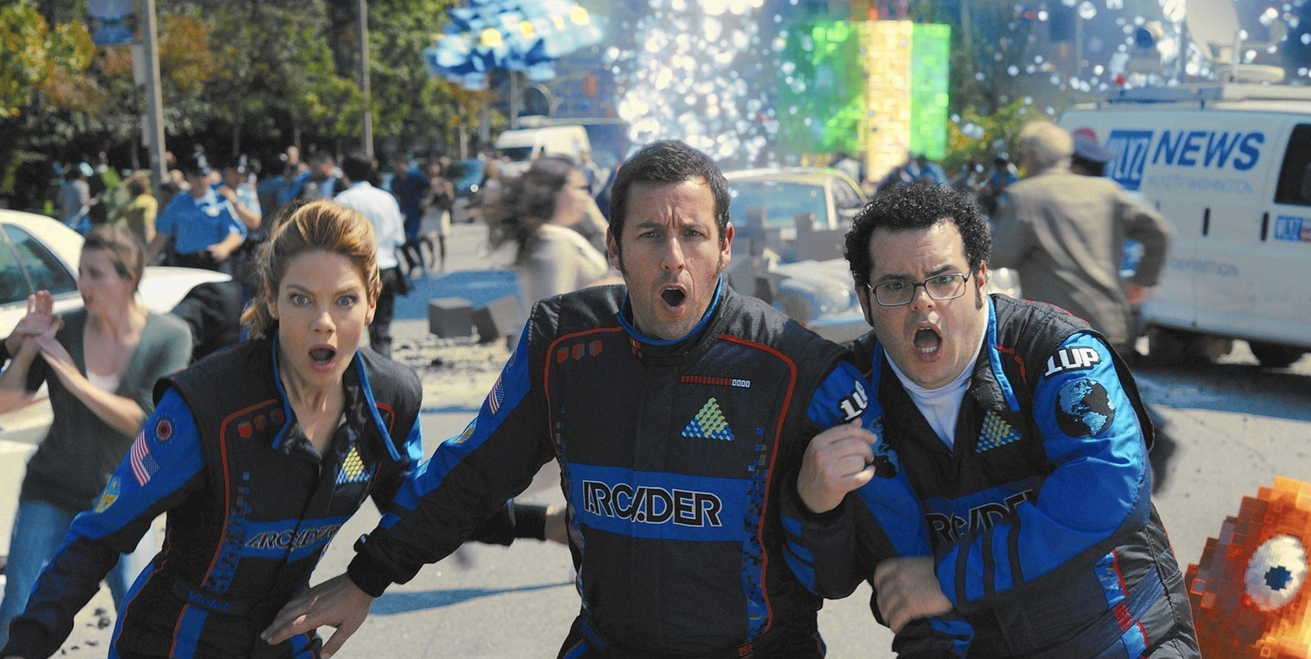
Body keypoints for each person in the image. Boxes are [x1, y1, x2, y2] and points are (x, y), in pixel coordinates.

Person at [262, 140, 932, 659]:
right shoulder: (562, 344)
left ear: (725, 246)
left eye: (693, 234)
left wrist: (820, 511)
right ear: (613, 247)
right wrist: (367, 577)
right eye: (649, 235)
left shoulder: (798, 366)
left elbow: (882, 552)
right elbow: (470, 474)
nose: (673, 257)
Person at [784, 180, 1200, 658]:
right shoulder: (845, 396)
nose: (923, 302)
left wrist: (949, 579)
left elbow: (1110, 491)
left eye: (944, 280)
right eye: (896, 286)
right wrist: (813, 507)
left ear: (981, 279)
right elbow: (832, 581)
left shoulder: (1053, 352)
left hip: (1115, 639)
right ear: (865, 299)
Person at [0, 202, 425, 659]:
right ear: (272, 300)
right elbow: (99, 536)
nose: (323, 322)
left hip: (283, 639)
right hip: (170, 642)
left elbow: (425, 508)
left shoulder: (390, 401)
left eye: (344, 300)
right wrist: (26, 646)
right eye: (301, 299)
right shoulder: (206, 404)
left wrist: (364, 581)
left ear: (372, 302)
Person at [0, 225, 192, 651]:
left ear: (128, 279)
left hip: (125, 500)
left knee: (137, 615)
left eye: (96, 274)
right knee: (18, 610)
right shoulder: (65, 329)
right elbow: (6, 402)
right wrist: (28, 347)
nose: (83, 284)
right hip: (50, 490)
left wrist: (72, 376)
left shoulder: (169, 336)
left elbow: (148, 421)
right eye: (80, 272)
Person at [991, 122, 1174, 354]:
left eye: (1024, 154)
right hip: (1109, 324)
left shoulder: (1024, 196)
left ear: (1033, 155)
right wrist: (1142, 280)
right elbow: (1160, 232)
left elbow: (999, 255)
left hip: (1057, 330)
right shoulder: (1107, 191)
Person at [486, 155, 618, 315]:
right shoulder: (553, 241)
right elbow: (552, 310)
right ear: (555, 192)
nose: (586, 197)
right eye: (579, 188)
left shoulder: (551, 234)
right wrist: (613, 285)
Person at [333, 153, 406, 358]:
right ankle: (384, 369)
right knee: (381, 331)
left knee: (347, 329)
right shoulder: (387, 198)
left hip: (354, 271)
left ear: (345, 173)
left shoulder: (342, 201)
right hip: (387, 267)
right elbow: (399, 238)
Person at [146, 158, 246, 273]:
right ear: (188, 177)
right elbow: (162, 234)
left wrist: (225, 247)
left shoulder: (220, 201)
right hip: (184, 263)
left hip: (211, 262)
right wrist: (145, 261)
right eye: (196, 176)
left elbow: (236, 233)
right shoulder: (178, 202)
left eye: (204, 176)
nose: (201, 180)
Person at [387, 154, 430, 276]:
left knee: (413, 238)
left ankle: (422, 262)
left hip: (416, 212)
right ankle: (411, 263)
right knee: (401, 240)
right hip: (404, 212)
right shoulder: (395, 181)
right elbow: (394, 194)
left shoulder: (415, 176)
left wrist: (425, 201)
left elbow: (428, 188)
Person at [421, 160, 455, 271]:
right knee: (428, 237)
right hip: (428, 212)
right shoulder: (423, 182)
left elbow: (451, 198)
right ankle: (432, 255)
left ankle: (442, 264)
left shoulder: (443, 182)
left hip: (440, 212)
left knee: (442, 238)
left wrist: (445, 192)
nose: (432, 170)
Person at [113, 172, 157, 246]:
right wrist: (151, 244)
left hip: (130, 242)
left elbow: (114, 222)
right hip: (144, 242)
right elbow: (148, 224)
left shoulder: (126, 204)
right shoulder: (149, 201)